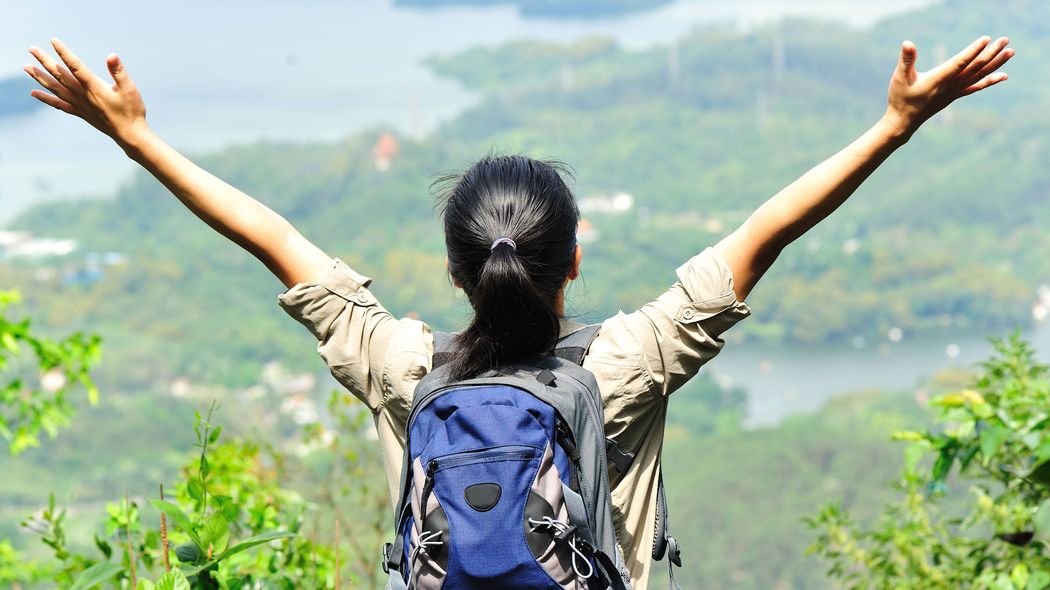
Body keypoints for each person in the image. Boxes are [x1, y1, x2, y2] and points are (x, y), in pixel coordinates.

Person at [24, 33, 1013, 589]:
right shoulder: (626, 366)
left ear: (457, 272)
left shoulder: (402, 368)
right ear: (573, 256)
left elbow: (273, 238)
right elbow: (763, 236)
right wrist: (897, 123)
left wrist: (136, 140)